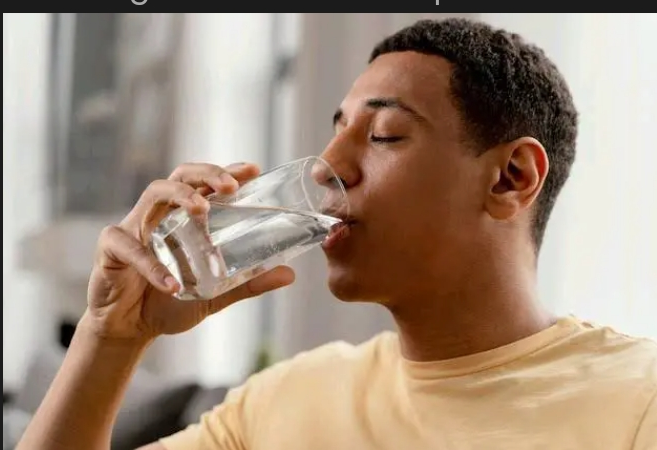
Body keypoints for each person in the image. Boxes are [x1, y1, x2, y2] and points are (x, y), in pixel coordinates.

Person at [16, 18, 657, 450]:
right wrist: (111, 336)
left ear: (511, 178)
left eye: (384, 135)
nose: (329, 168)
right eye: (336, 131)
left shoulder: (637, 402)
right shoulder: (283, 401)